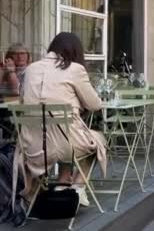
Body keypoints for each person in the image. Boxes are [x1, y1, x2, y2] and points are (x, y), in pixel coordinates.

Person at [15, 32, 107, 207]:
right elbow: (95, 105)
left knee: (62, 133)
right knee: (97, 141)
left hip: (32, 147)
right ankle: (78, 187)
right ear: (75, 51)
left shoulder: (31, 69)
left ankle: (62, 183)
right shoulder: (75, 69)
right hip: (65, 144)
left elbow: (23, 102)